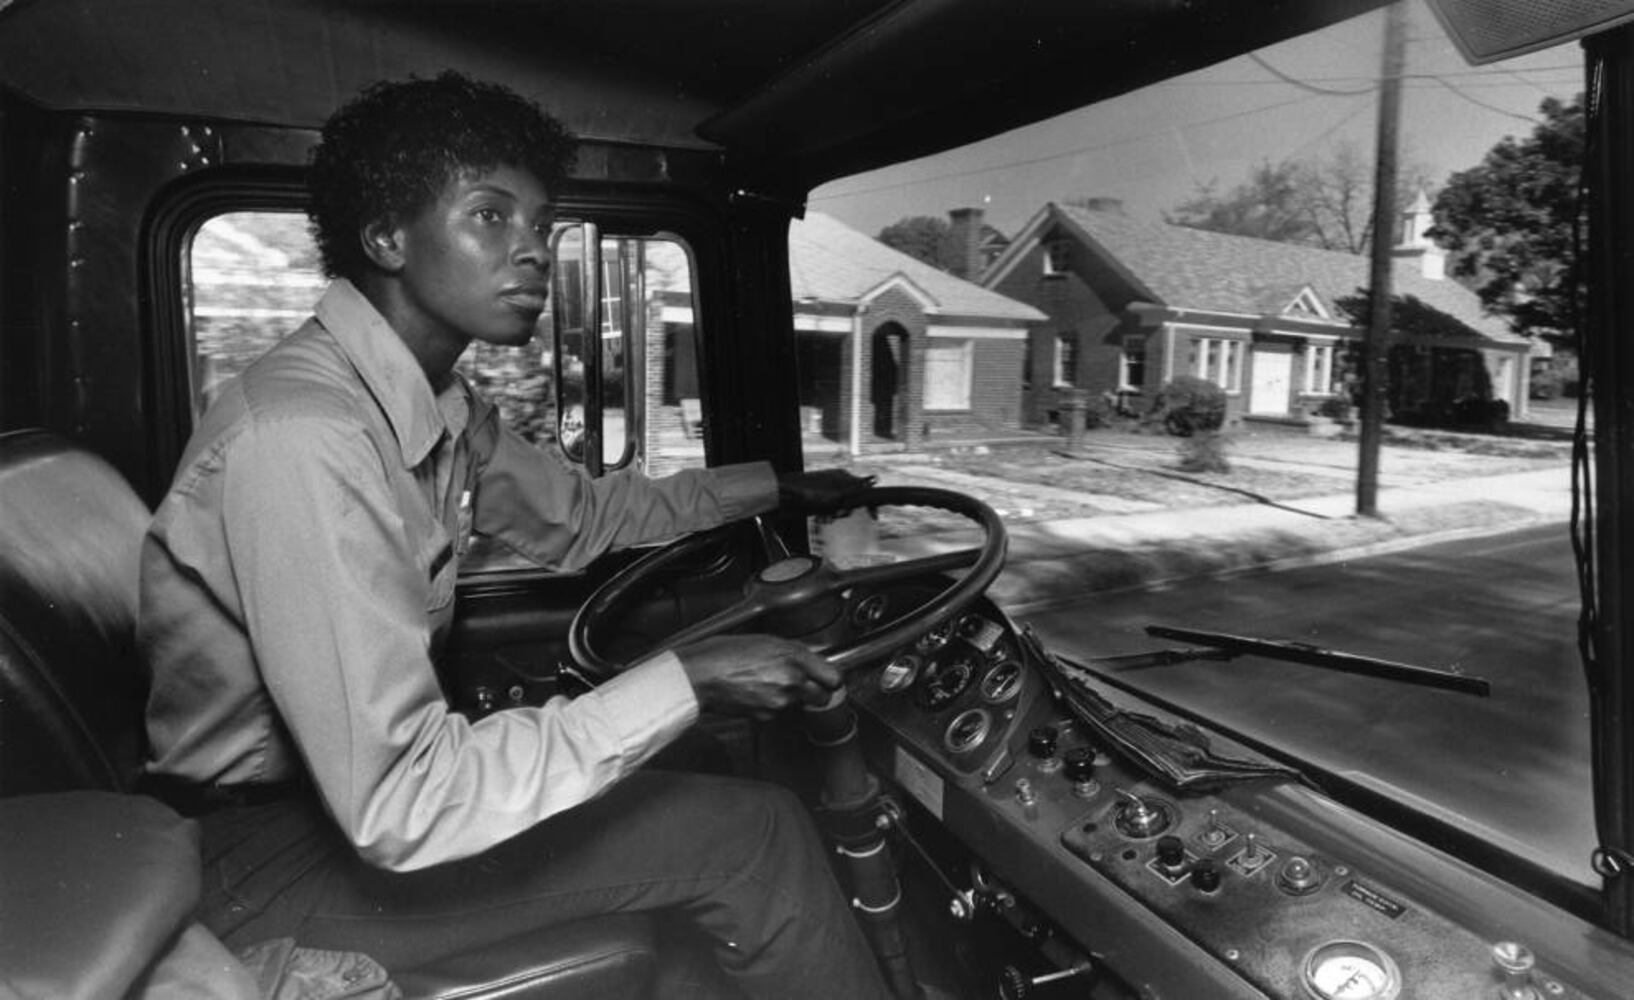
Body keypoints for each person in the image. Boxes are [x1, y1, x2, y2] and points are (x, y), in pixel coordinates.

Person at [137, 71, 889, 999]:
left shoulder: (433, 405)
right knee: (756, 835)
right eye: (490, 216)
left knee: (695, 769)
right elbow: (399, 803)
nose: (533, 250)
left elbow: (582, 518)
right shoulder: (306, 437)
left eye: (541, 224)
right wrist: (688, 679)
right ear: (386, 237)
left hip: (312, 818)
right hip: (252, 858)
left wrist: (772, 487)